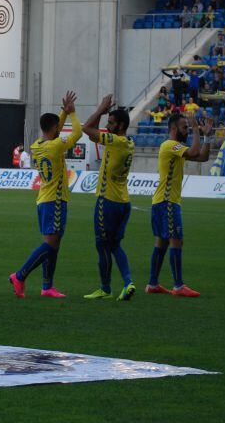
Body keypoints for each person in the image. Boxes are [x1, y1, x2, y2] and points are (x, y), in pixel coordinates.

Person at [10, 91, 81, 299]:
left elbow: (53, 127)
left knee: (53, 244)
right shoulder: (55, 145)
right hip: (55, 200)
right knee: (50, 244)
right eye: (58, 127)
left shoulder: (36, 145)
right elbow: (77, 133)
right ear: (54, 129)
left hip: (43, 199)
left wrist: (63, 112)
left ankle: (47, 286)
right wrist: (72, 114)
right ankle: (20, 275)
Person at [146, 114, 212, 297]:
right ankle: (178, 285)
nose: (187, 131)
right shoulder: (169, 145)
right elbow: (193, 152)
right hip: (167, 202)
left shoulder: (177, 149)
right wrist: (197, 131)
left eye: (188, 128)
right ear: (173, 129)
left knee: (162, 242)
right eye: (185, 128)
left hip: (161, 202)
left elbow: (203, 157)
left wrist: (207, 136)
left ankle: (152, 284)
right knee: (176, 240)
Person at [81, 95, 136, 301]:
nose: (107, 125)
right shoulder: (128, 142)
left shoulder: (116, 141)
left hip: (108, 201)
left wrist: (100, 109)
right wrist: (103, 114)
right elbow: (93, 135)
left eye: (111, 123)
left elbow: (86, 129)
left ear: (120, 125)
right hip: (124, 202)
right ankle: (128, 282)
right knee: (115, 245)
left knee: (102, 245)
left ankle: (105, 288)